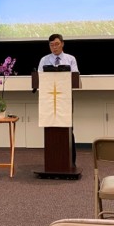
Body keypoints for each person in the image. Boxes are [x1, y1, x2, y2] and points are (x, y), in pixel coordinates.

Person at [37, 33, 79, 167]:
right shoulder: (44, 60)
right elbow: (39, 78)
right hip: (48, 98)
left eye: (56, 44)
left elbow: (75, 77)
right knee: (50, 127)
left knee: (67, 127)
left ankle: (71, 161)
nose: (54, 47)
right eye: (51, 45)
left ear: (62, 44)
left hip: (65, 98)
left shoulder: (70, 59)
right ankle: (52, 161)